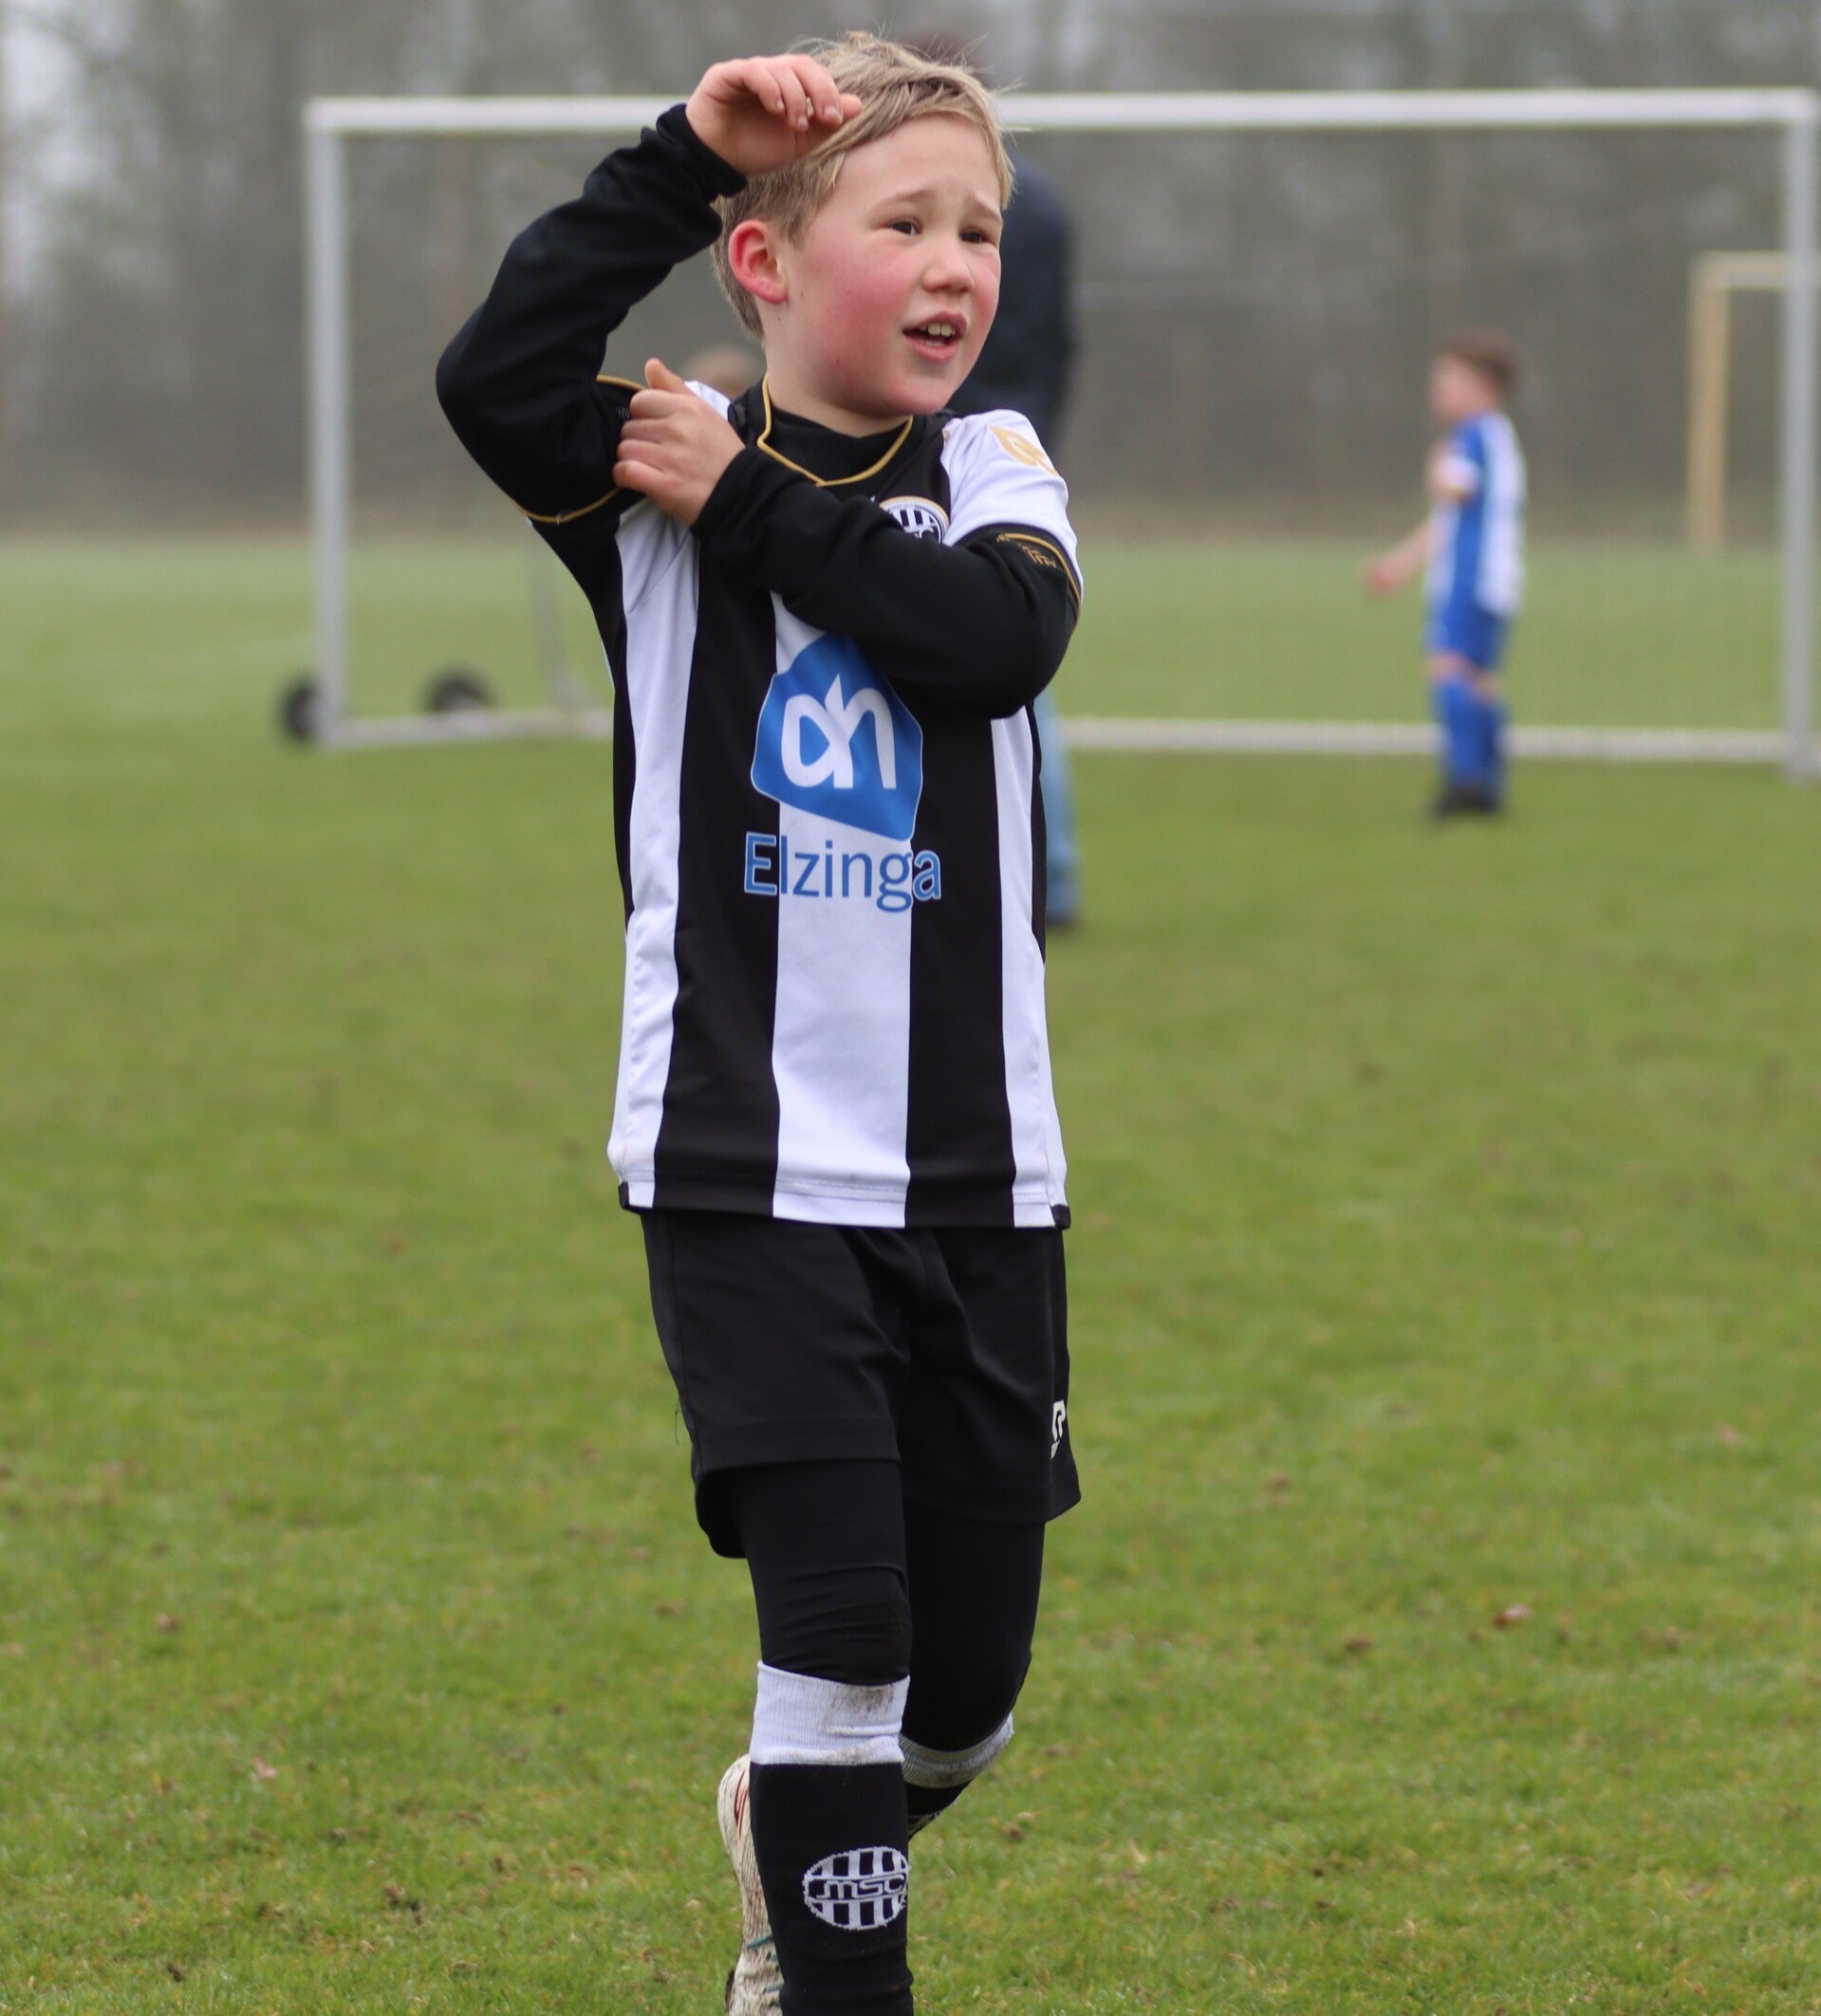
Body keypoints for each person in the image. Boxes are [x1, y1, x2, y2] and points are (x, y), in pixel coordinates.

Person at [436, 36, 1082, 2016]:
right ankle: (819, 1975)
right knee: (844, 1637)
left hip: (977, 1179)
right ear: (764, 263)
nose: (954, 264)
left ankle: (787, 1840)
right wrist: (677, 153)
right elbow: (492, 374)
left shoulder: (995, 471)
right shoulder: (646, 472)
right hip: (740, 1162)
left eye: (977, 229)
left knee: (964, 1699)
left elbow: (993, 644)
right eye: (905, 223)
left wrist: (752, 504)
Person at [913, 29, 1083, 924]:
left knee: (996, 655)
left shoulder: (1020, 206)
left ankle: (1038, 871)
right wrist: (1039, 432)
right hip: (1018, 433)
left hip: (948, 437)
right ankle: (1043, 870)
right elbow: (1060, 339)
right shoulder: (1043, 201)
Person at [1365, 331, 1528, 817]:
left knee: (1449, 670)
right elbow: (1448, 520)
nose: (1440, 389)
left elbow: (1451, 492)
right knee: (1479, 681)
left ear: (1485, 387)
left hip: (1470, 578)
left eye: (1451, 379)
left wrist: (1433, 467)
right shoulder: (1495, 436)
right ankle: (1487, 787)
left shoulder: (1474, 435)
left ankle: (1465, 783)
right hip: (1490, 578)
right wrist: (1402, 563)